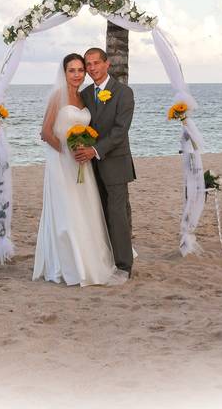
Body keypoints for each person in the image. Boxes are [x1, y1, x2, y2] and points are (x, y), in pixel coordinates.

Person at [32, 53, 125, 286]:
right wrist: (66, 153)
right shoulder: (57, 96)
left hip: (84, 161)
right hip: (64, 162)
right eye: (72, 70)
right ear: (64, 73)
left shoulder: (85, 98)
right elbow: (46, 132)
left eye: (80, 70)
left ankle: (89, 258)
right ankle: (70, 264)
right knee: (67, 211)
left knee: (86, 209)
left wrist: (85, 150)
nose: (77, 74)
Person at [74, 47, 136, 278]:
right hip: (90, 166)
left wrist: (95, 150)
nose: (92, 68)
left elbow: (121, 131)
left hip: (115, 163)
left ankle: (124, 266)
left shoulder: (123, 93)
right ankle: (106, 257)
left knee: (117, 213)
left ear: (107, 64)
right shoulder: (86, 94)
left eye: (95, 63)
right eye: (88, 64)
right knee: (98, 213)